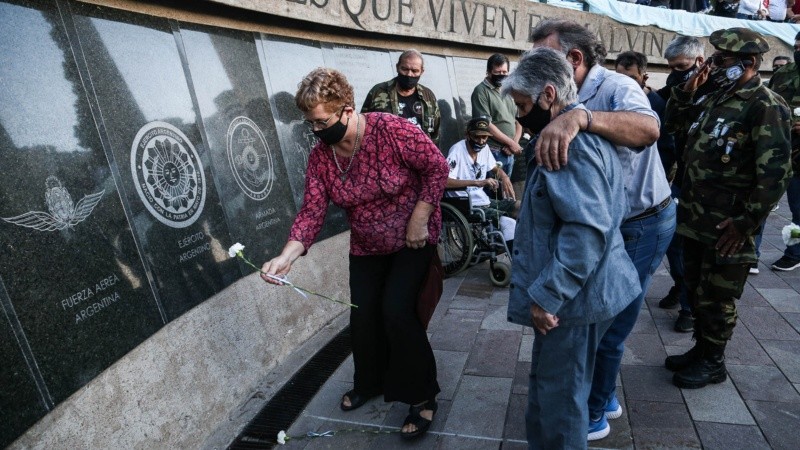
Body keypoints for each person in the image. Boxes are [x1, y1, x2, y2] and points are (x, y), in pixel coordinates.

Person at [261, 68, 448, 438]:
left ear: (346, 110)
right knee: (363, 318)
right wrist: (286, 257)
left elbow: (437, 168)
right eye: (309, 124)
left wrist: (420, 216)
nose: (316, 131)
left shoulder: (392, 130)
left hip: (412, 239)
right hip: (366, 245)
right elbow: (311, 211)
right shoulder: (320, 157)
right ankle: (371, 381)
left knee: (396, 311)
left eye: (321, 122)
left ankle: (423, 396)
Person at [530, 19, 674, 440]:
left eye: (543, 59)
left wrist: (582, 117)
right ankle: (598, 395)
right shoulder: (561, 90)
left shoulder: (615, 87)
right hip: (609, 222)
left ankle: (594, 409)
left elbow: (648, 130)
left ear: (574, 58)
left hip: (640, 222)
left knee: (610, 320)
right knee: (594, 315)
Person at [503, 46, 641, 450]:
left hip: (574, 299)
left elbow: (585, 231)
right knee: (557, 389)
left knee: (560, 401)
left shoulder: (567, 145)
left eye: (523, 104)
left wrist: (548, 296)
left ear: (549, 95)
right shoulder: (574, 133)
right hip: (584, 292)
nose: (519, 115)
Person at [663, 28, 792, 389]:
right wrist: (688, 91)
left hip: (727, 225)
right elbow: (672, 125)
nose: (714, 65)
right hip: (695, 216)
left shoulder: (765, 105)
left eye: (722, 59)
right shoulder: (716, 96)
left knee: (718, 295)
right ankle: (701, 349)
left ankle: (714, 362)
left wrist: (746, 223)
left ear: (747, 63)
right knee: (695, 287)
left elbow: (775, 174)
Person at [657, 36, 712, 333]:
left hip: (708, 186)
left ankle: (690, 309)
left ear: (700, 62)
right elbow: (669, 117)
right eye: (672, 67)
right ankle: (682, 287)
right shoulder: (678, 83)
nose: (676, 72)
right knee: (673, 241)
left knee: (693, 248)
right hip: (680, 178)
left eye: (681, 66)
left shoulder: (719, 90)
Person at [445, 116, 518, 252]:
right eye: (477, 137)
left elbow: (493, 167)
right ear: (468, 135)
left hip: (483, 200)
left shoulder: (484, 149)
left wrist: (504, 176)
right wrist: (477, 182)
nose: (481, 141)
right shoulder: (457, 150)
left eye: (485, 137)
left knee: (521, 208)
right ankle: (517, 264)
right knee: (508, 223)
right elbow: (445, 182)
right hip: (466, 203)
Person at [767, 32, 800, 272]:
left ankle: (795, 251)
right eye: (797, 46)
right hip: (780, 151)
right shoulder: (783, 74)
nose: (798, 50)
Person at [361, 49, 440, 147]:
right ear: (397, 67)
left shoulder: (428, 96)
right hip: (386, 156)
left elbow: (435, 133)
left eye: (414, 71)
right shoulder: (378, 92)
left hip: (418, 156)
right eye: (405, 69)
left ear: (422, 71)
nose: (409, 74)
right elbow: (363, 126)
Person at [471, 53, 522, 177]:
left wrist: (513, 143)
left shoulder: (509, 90)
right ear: (489, 72)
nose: (502, 75)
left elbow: (519, 120)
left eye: (505, 72)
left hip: (509, 152)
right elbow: (486, 124)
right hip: (493, 151)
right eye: (498, 72)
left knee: (504, 191)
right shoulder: (481, 91)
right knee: (492, 191)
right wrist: (511, 143)